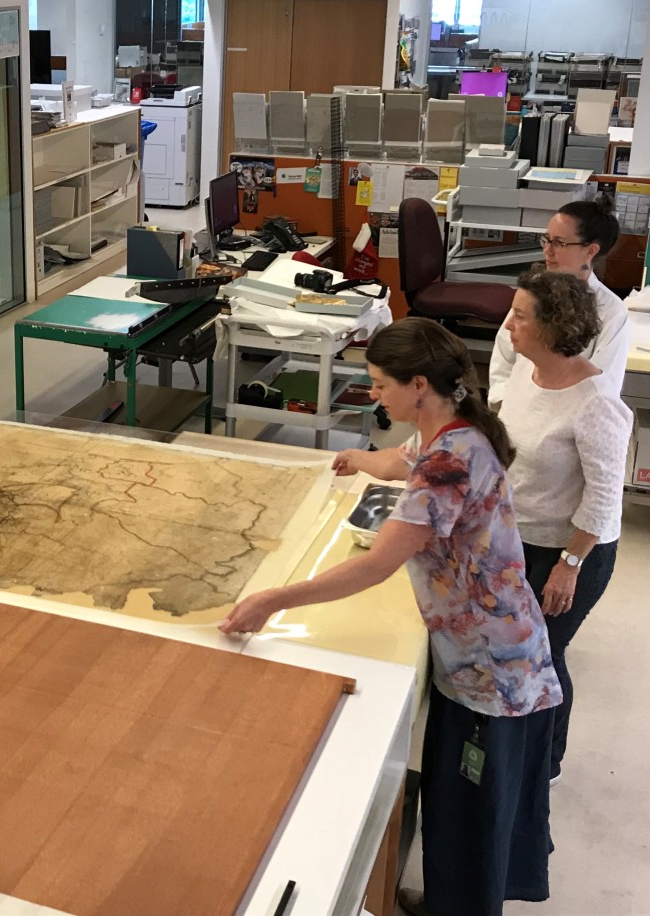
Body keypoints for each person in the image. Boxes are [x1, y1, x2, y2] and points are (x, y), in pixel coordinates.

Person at [221, 317, 562, 916]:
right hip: (485, 652)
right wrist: (353, 458)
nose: (373, 394)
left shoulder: (449, 462)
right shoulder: (447, 433)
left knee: (471, 814)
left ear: (420, 385)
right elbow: (395, 462)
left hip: (490, 669)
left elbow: (374, 566)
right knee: (456, 805)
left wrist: (271, 599)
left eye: (380, 384)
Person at [497, 270, 632, 785]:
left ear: (552, 327)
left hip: (572, 552)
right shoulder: (525, 374)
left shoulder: (596, 403)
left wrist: (568, 567)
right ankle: (519, 743)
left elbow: (602, 499)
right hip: (521, 535)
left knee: (546, 654)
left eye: (521, 315)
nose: (509, 323)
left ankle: (545, 762)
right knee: (518, 648)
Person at [489, 199, 630, 406]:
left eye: (559, 243)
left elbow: (602, 388)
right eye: (547, 239)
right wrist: (506, 406)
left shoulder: (611, 312)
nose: (547, 250)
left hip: (568, 420)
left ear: (590, 251)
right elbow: (504, 357)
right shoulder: (533, 291)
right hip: (515, 409)